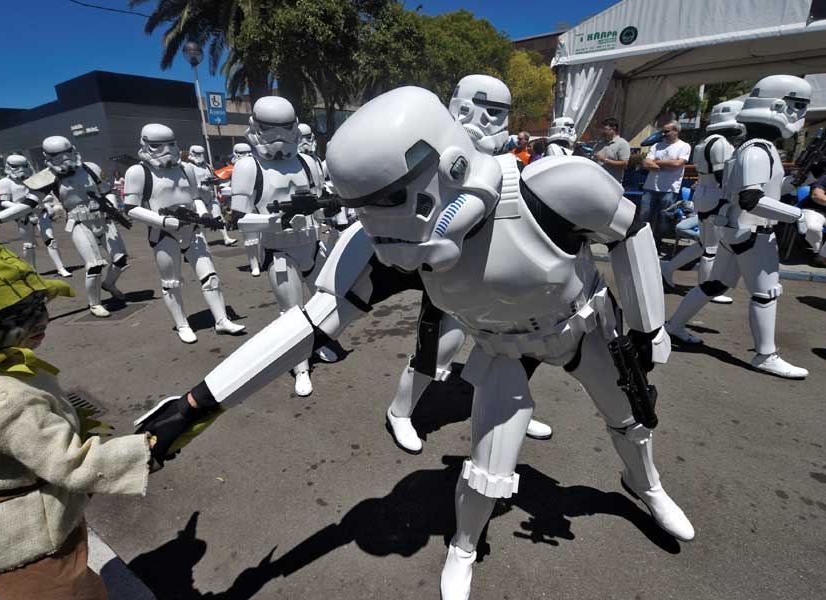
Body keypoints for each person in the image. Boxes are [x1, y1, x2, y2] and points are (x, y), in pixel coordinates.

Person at [136, 86, 693, 600]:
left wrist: (649, 327)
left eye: (395, 200)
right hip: (501, 348)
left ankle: (646, 485)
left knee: (631, 422)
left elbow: (631, 231)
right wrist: (196, 405)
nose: (386, 229)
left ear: (450, 165)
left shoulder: (558, 186)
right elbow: (309, 324)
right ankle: (464, 547)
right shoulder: (378, 238)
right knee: (488, 466)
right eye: (367, 209)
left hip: (584, 326)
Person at [0, 238, 154, 600]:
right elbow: (73, 464)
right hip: (29, 537)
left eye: (38, 305)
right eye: (15, 316)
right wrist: (150, 449)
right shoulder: (7, 397)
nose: (41, 319)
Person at [385, 74, 552, 454]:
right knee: (438, 349)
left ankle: (509, 412)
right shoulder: (433, 160)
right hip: (449, 277)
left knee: (514, 351)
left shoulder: (508, 162)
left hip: (498, 275)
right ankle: (400, 411)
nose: (493, 123)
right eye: (487, 112)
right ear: (461, 109)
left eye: (500, 114)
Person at [665, 75, 811, 379]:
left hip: (737, 230)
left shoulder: (751, 148)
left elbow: (758, 190)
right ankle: (765, 354)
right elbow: (751, 199)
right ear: (779, 106)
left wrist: (795, 183)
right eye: (797, 106)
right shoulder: (757, 150)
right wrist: (798, 216)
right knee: (766, 294)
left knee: (713, 284)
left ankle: (674, 325)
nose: (799, 114)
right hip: (753, 232)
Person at [229, 97, 338, 396]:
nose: (278, 137)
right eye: (269, 129)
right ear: (255, 127)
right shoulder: (248, 167)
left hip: (312, 244)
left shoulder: (308, 163)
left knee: (326, 303)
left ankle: (318, 342)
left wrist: (328, 212)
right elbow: (238, 219)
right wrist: (274, 222)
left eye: (284, 128)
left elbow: (320, 200)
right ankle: (300, 366)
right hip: (280, 250)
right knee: (291, 313)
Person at [123, 125, 245, 344]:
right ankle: (182, 324)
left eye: (171, 144)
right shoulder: (138, 172)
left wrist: (204, 214)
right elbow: (130, 208)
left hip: (192, 229)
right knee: (172, 283)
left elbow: (195, 197)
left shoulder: (186, 169)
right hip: (163, 234)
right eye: (158, 146)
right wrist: (162, 221)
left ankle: (221, 320)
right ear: (146, 145)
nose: (167, 150)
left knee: (210, 276)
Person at [0, 136, 130, 318]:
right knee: (94, 265)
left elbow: (107, 190)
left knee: (121, 260)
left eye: (67, 153)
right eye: (58, 155)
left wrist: (112, 206)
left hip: (103, 218)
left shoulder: (90, 168)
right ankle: (95, 303)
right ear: (48, 157)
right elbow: (29, 203)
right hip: (79, 221)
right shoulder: (47, 177)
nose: (65, 159)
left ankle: (109, 284)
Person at [660, 101, 746, 304]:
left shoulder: (707, 141)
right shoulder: (721, 143)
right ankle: (707, 290)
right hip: (715, 196)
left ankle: (668, 267)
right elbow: (722, 176)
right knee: (711, 248)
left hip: (707, 195)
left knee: (703, 244)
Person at [0, 154, 72, 277]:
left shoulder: (34, 178)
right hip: (23, 216)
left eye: (24, 166)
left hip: (40, 212)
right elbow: (4, 202)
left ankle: (61, 267)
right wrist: (20, 209)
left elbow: (46, 195)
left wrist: (46, 204)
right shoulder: (5, 182)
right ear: (9, 167)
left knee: (51, 240)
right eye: (16, 166)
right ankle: (32, 270)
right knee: (29, 245)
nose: (22, 169)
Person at [640, 121, 691, 250]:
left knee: (664, 218)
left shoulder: (684, 146)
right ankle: (641, 242)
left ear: (676, 131)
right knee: (644, 215)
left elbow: (677, 164)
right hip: (651, 186)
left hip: (670, 188)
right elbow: (646, 163)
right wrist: (666, 164)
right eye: (662, 131)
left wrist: (657, 163)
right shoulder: (656, 146)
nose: (663, 134)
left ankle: (657, 243)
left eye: (666, 131)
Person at [183, 145, 239, 246]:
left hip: (210, 196)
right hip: (198, 198)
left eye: (202, 154)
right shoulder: (188, 167)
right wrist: (200, 185)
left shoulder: (207, 166)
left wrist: (215, 182)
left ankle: (226, 238)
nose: (201, 156)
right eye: (198, 154)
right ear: (192, 154)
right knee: (202, 221)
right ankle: (202, 242)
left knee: (219, 217)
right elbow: (187, 183)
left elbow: (213, 176)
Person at [800, 167, 826, 267]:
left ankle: (822, 257)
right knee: (812, 227)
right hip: (816, 209)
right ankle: (818, 252)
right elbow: (816, 195)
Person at [593, 117, 631, 183]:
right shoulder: (599, 144)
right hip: (596, 181)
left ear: (614, 128)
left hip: (612, 183)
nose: (602, 131)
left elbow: (624, 163)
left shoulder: (622, 143)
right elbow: (594, 159)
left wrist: (605, 160)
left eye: (605, 129)